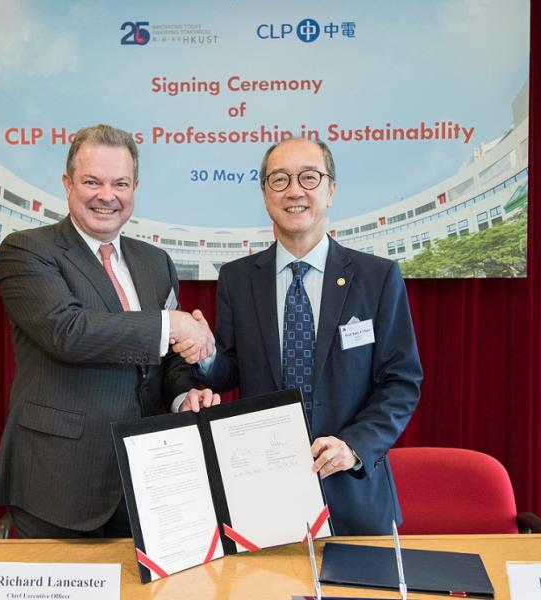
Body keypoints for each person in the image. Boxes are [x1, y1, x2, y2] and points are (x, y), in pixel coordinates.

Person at [180, 138, 422, 535]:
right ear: (264, 194)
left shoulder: (377, 278)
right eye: (279, 179)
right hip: (263, 495)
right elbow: (231, 372)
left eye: (309, 177)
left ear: (331, 190)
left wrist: (355, 447)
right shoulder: (239, 278)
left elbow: (401, 382)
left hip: (355, 491)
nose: (294, 190)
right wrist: (206, 355)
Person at [0, 124, 219, 538]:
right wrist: (173, 323)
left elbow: (164, 359)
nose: (106, 195)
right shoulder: (27, 250)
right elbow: (69, 331)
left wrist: (184, 396)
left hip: (148, 483)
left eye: (120, 183)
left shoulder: (156, 262)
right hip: (59, 483)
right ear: (67, 183)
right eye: (92, 181)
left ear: (135, 187)